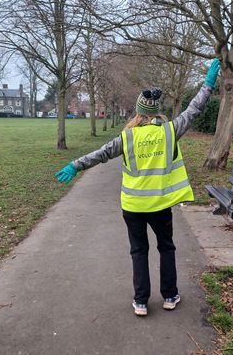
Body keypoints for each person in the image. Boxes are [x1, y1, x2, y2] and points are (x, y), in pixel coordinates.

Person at [54, 58, 221, 316]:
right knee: (166, 248)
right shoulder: (170, 131)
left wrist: (76, 165)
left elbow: (101, 154)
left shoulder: (127, 137)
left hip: (132, 206)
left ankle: (141, 301)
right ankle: (169, 296)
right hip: (160, 206)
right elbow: (194, 110)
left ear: (137, 112)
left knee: (138, 251)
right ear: (156, 112)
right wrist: (208, 84)